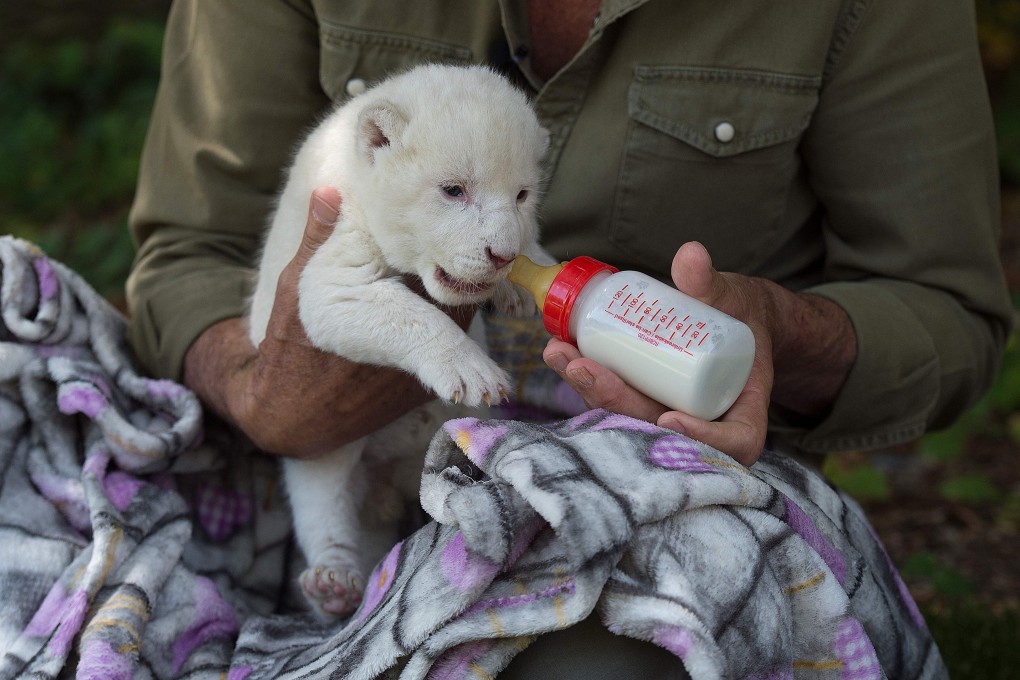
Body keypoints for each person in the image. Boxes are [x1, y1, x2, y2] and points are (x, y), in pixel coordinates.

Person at [125, 0, 1010, 674]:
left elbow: (945, 306)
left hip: (666, 460)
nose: (505, 238)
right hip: (286, 457)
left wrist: (788, 333)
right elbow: (186, 249)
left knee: (590, 657)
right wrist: (261, 392)